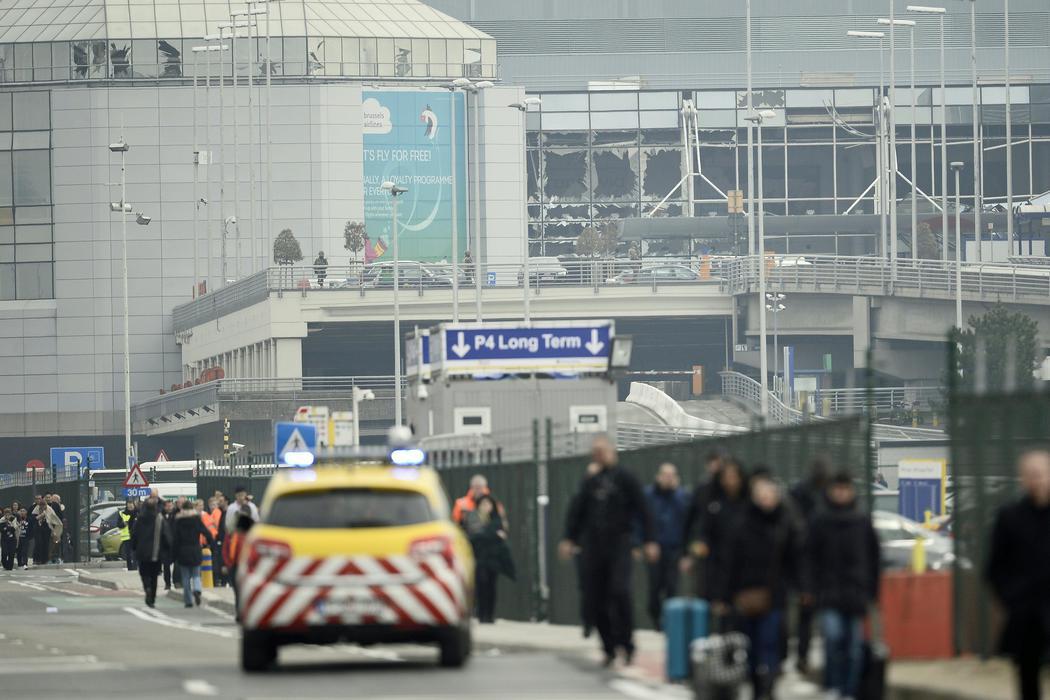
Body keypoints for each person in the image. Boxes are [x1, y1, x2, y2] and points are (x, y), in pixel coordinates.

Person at [560, 435, 658, 667]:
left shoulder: (626, 478)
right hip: (593, 546)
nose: (599, 454)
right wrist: (569, 538)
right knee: (596, 597)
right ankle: (609, 647)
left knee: (620, 591)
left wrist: (650, 540)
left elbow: (644, 510)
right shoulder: (590, 481)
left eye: (602, 450)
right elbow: (577, 511)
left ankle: (627, 643)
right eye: (595, 450)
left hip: (619, 544)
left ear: (612, 451)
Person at [722, 468, 806, 700]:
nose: (766, 499)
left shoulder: (785, 523)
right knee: (750, 645)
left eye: (770, 494)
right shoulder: (742, 524)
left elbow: (795, 558)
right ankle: (757, 684)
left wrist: (800, 586)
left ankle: (768, 686)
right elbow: (731, 561)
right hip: (747, 593)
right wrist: (725, 595)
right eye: (762, 495)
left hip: (774, 593)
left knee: (771, 641)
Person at [808, 472, 881, 699]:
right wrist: (811, 587)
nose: (841, 493)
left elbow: (874, 556)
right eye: (836, 488)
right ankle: (834, 686)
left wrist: (872, 591)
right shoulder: (820, 520)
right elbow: (810, 556)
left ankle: (849, 690)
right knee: (833, 639)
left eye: (845, 488)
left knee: (854, 647)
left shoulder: (861, 520)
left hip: (856, 592)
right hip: (829, 592)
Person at [987, 448, 1050, 700]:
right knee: (1027, 678)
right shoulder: (1010, 517)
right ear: (1022, 478)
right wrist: (1012, 598)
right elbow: (994, 567)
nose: (1036, 480)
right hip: (1026, 613)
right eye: (1030, 475)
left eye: (1041, 474)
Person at [687, 457, 748, 628]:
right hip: (715, 566)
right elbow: (702, 533)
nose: (730, 481)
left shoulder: (747, 505)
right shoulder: (713, 504)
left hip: (742, 569)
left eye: (734, 476)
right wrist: (693, 553)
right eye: (726, 476)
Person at [789, 456, 831, 674]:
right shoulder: (813, 495)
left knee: (809, 616)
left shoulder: (803, 492)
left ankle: (804, 657)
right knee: (811, 615)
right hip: (811, 561)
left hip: (815, 562)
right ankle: (805, 656)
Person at [643, 462, 690, 630]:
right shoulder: (648, 495)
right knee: (655, 587)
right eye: (665, 475)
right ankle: (655, 617)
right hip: (655, 547)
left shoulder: (682, 496)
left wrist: (676, 493)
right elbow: (641, 519)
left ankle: (670, 622)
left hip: (674, 548)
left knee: (672, 586)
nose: (668, 478)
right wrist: (643, 543)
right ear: (658, 476)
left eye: (672, 475)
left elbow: (687, 520)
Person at [681, 450, 726, 598]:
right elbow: (690, 521)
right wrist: (686, 554)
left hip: (727, 550)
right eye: (712, 463)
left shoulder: (731, 489)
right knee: (703, 590)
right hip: (704, 548)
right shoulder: (702, 490)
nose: (715, 467)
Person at [463, 494, 514, 624]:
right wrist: (493, 534)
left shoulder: (496, 518)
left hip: (493, 558)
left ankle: (490, 615)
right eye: (483, 504)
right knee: (481, 586)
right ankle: (481, 615)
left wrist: (485, 533)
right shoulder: (473, 517)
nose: (486, 507)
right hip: (479, 557)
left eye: (489, 504)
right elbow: (473, 536)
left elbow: (497, 533)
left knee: (491, 587)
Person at [130, 495, 172, 608]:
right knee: (154, 575)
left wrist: (134, 547)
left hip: (142, 552)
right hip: (156, 552)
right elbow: (166, 535)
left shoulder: (139, 519)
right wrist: (168, 548)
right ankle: (152, 597)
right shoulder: (159, 518)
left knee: (144, 573)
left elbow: (134, 535)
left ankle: (147, 588)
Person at [172, 500, 216, 608]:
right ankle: (197, 589)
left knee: (185, 577)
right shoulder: (196, 519)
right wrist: (211, 543)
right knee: (196, 574)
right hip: (195, 549)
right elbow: (206, 532)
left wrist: (173, 554)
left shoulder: (178, 521)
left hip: (182, 551)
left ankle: (188, 601)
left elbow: (175, 538)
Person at [224, 513, 253, 621]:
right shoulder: (230, 534)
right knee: (238, 591)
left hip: (246, 566)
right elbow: (225, 550)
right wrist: (227, 564)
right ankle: (240, 614)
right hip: (234, 566)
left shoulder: (249, 534)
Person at [117, 499, 138, 570]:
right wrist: (123, 523)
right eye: (129, 506)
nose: (130, 507)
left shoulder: (137, 513)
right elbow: (118, 524)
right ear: (126, 506)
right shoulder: (122, 513)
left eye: (131, 506)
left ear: (134, 506)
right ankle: (130, 568)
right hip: (126, 537)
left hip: (136, 537)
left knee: (135, 553)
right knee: (128, 554)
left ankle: (135, 567)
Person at [160, 499, 176, 590]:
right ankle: (167, 583)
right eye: (168, 506)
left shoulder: (176, 515)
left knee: (177, 566)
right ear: (165, 507)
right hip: (165, 545)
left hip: (175, 544)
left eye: (171, 506)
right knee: (166, 566)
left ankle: (176, 581)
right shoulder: (161, 516)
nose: (170, 508)